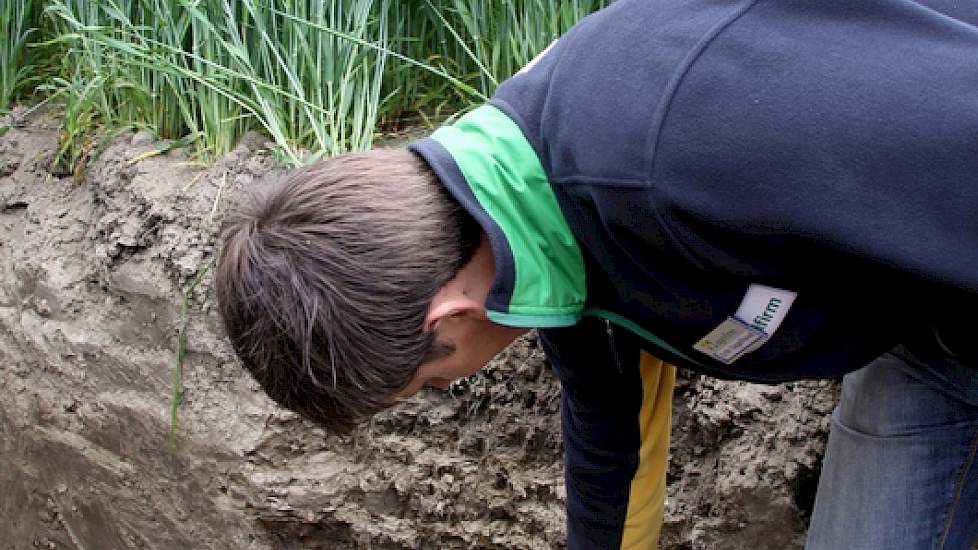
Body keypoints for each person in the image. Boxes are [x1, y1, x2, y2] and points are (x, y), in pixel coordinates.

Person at [215, 0, 978, 548]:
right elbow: (614, 427)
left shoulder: (673, 160)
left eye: (431, 384)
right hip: (935, 338)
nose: (446, 387)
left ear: (445, 317)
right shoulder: (534, 238)